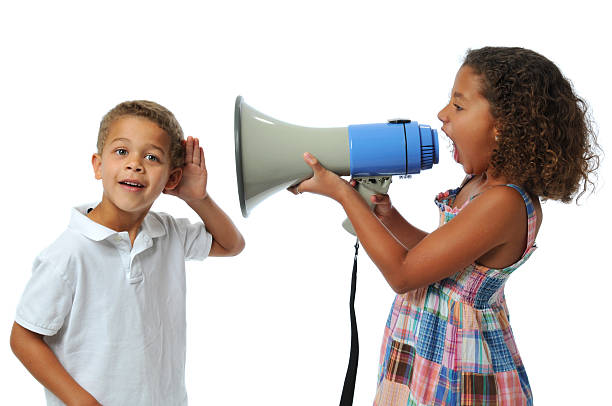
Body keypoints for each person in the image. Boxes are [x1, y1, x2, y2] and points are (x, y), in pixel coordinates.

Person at [289, 47, 599, 405]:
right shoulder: (479, 183)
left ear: (504, 125)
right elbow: (444, 258)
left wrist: (343, 194)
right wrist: (388, 218)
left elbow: (404, 273)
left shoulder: (505, 203)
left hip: (460, 368)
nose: (442, 115)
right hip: (426, 350)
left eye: (459, 105)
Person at [10, 100, 245, 406]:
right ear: (98, 165)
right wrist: (82, 401)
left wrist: (197, 198)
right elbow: (24, 338)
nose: (135, 164)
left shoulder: (168, 233)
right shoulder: (68, 254)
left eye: (152, 156)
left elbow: (231, 245)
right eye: (122, 151)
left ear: (171, 179)